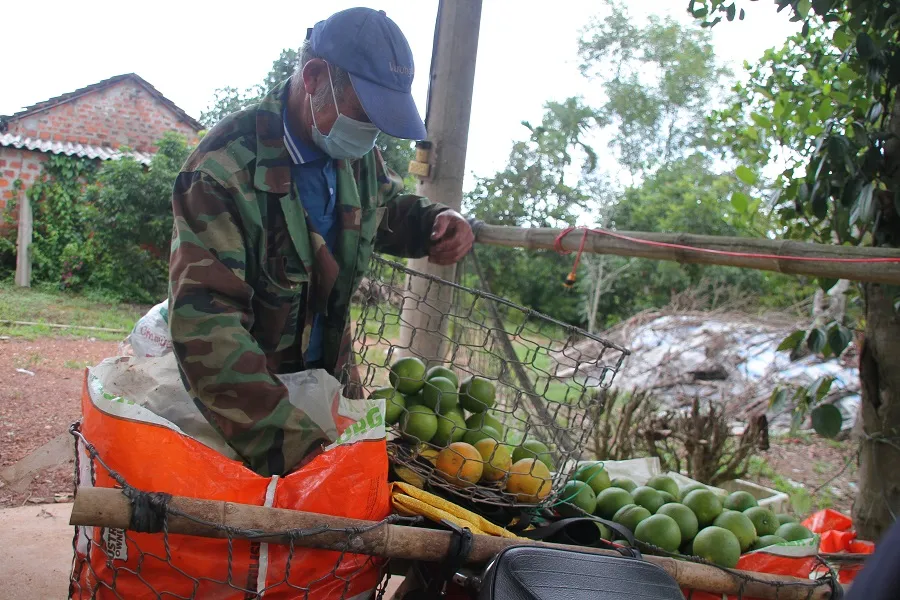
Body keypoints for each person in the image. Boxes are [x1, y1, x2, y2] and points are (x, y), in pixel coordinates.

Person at [168, 7, 474, 477]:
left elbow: (383, 209)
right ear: (313, 78)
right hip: (250, 411)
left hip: (326, 388)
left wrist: (435, 221)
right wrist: (302, 453)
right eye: (365, 114)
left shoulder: (352, 156)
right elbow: (207, 327)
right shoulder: (221, 171)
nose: (371, 133)